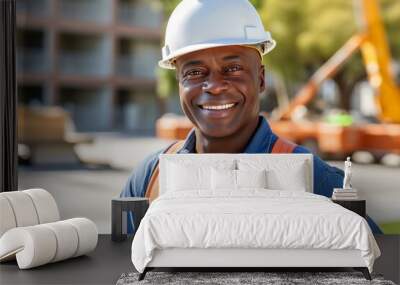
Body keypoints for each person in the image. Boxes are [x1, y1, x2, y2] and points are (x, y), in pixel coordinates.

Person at [120, 0, 382, 233]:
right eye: (195, 72)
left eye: (233, 68)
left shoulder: (315, 181)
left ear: (261, 79)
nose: (214, 86)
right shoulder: (150, 178)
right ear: (178, 83)